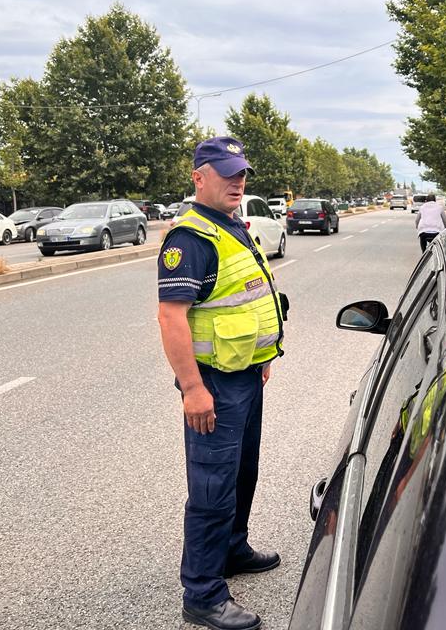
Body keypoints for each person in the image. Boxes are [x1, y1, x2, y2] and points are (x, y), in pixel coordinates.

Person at [158, 136, 284, 630]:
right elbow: (171, 317)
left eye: (242, 173)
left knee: (241, 472)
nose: (238, 181)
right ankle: (203, 593)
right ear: (199, 177)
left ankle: (232, 548)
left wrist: (261, 358)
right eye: (227, 173)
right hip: (213, 384)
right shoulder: (190, 238)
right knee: (212, 487)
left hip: (245, 375)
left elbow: (241, 300)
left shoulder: (231, 226)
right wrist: (193, 389)